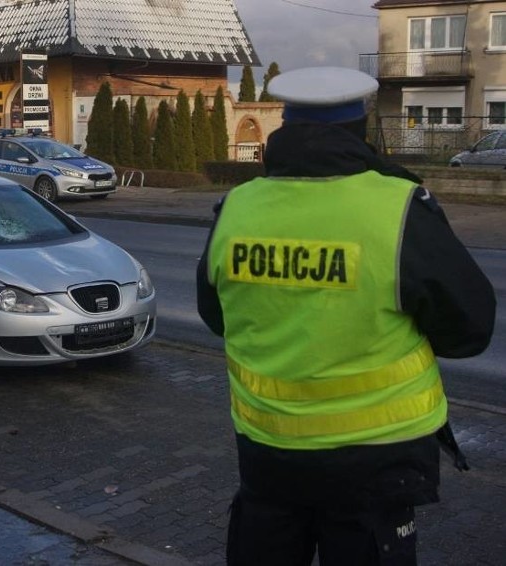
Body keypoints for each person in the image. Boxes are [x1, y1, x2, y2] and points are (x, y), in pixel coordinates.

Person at [196, 66, 496, 566]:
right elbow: (470, 331)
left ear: (283, 129)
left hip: (268, 451)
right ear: (360, 130)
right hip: (377, 459)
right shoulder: (399, 208)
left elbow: (217, 316)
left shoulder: (236, 208)